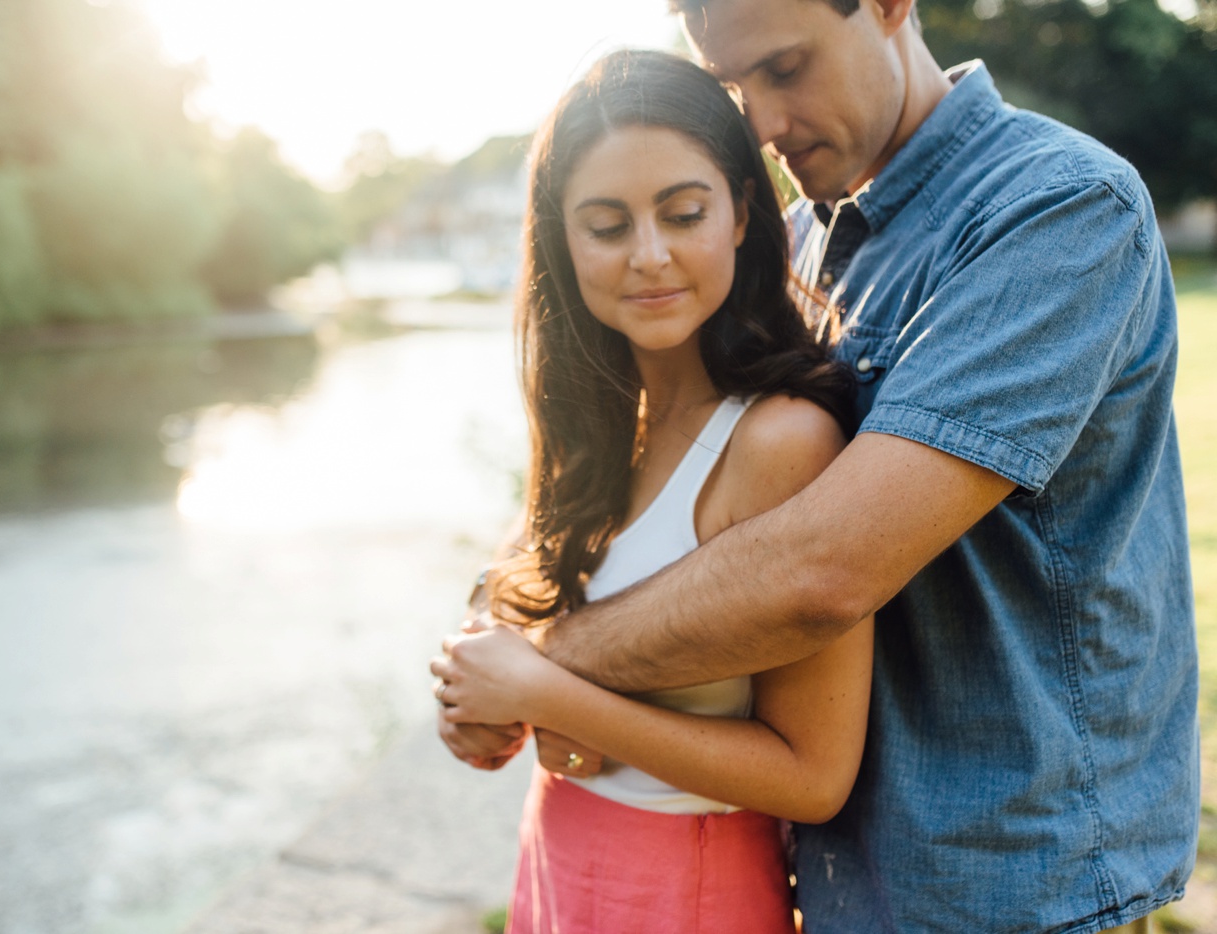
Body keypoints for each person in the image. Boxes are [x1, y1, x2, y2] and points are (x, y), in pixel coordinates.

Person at [439, 0, 1199, 931]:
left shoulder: (1056, 208)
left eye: (785, 68)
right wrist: (500, 609)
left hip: (1008, 876)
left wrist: (545, 666)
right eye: (730, 86)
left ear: (889, 7)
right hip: (835, 874)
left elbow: (821, 571)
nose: (756, 124)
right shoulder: (797, 241)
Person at [430, 49, 874, 933]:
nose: (650, 256)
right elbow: (536, 624)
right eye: (605, 225)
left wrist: (542, 694)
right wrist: (472, 693)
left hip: (687, 889)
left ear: (742, 213)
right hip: (559, 860)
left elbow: (814, 777)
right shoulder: (602, 422)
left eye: (683, 213)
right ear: (560, 240)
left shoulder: (780, 440)